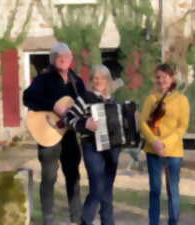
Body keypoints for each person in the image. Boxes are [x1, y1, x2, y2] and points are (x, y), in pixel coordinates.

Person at [23, 42, 86, 225]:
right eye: (58, 55)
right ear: (52, 59)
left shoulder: (77, 81)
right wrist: (52, 105)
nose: (63, 58)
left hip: (69, 135)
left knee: (73, 175)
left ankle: (76, 218)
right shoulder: (44, 79)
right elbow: (28, 97)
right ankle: (48, 219)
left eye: (66, 55)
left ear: (71, 59)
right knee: (49, 177)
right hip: (48, 132)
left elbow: (84, 104)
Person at [64, 64, 121, 225]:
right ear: (91, 80)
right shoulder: (85, 98)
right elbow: (68, 119)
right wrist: (84, 123)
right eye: (95, 77)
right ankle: (85, 221)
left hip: (112, 148)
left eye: (102, 78)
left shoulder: (113, 100)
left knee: (107, 189)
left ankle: (108, 222)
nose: (98, 81)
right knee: (97, 187)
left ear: (108, 80)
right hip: (92, 146)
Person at [140, 64, 190, 225]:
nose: (161, 80)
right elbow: (142, 123)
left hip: (174, 152)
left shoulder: (181, 99)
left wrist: (164, 144)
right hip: (152, 150)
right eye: (158, 77)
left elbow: (182, 127)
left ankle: (173, 221)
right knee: (155, 190)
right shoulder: (151, 98)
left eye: (165, 77)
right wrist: (154, 142)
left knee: (173, 190)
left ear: (172, 78)